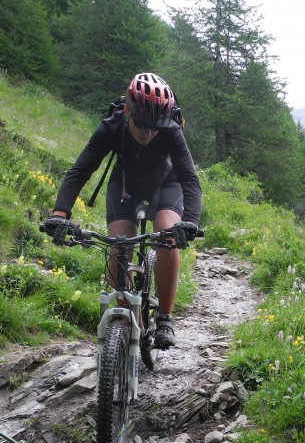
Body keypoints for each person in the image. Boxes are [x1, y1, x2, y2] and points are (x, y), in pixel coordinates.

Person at [42, 73, 202, 348]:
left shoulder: (171, 130)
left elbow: (189, 178)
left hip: (166, 182)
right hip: (126, 183)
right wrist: (60, 215)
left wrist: (190, 222)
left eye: (156, 126)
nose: (149, 133)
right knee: (118, 245)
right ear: (128, 111)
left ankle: (164, 317)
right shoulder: (111, 127)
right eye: (141, 124)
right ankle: (127, 317)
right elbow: (79, 171)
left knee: (167, 236)